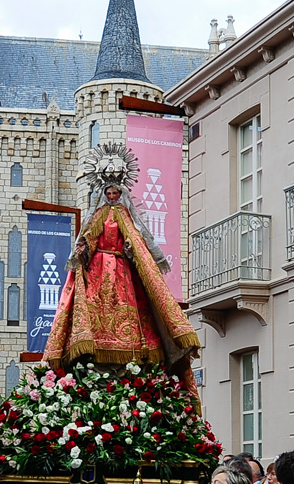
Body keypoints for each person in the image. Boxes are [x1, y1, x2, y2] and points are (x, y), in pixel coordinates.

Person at [43, 143, 203, 371]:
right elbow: (88, 238)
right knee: (97, 308)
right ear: (103, 193)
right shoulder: (96, 215)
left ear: (121, 193)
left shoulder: (127, 216)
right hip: (98, 269)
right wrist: (84, 249)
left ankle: (130, 346)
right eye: (108, 193)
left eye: (115, 193)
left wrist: (130, 249)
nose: (111, 196)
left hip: (121, 270)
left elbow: (138, 242)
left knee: (128, 308)